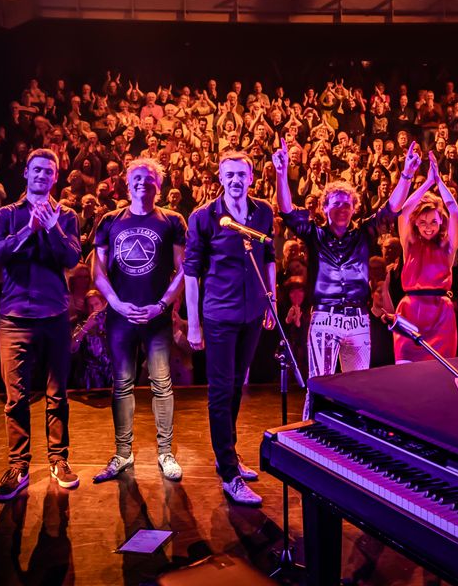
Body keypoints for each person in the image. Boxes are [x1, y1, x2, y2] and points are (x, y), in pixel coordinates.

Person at [273, 139, 420, 415]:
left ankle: (349, 434)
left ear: (354, 208)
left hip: (357, 319)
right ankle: (313, 432)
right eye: (336, 203)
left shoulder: (363, 233)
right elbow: (287, 212)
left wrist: (407, 174)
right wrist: (281, 174)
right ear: (324, 207)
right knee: (319, 386)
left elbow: (390, 210)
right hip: (324, 318)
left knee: (358, 388)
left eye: (346, 204)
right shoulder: (314, 234)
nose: (342, 208)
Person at [0, 148, 83, 501]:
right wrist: (30, 229)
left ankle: (58, 459)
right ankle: (19, 465)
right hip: (14, 319)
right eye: (36, 169)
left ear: (56, 177)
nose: (42, 175)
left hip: (54, 316)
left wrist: (52, 226)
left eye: (48, 171)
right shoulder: (7, 214)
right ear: (26, 173)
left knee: (57, 395)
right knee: (16, 398)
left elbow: (71, 257)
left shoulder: (66, 216)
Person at [183, 151, 277, 506]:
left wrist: (271, 300)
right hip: (219, 315)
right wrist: (194, 325)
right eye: (230, 175)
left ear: (251, 178)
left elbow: (269, 258)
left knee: (238, 385)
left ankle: (229, 453)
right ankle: (228, 474)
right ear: (220, 178)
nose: (236, 180)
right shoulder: (204, 217)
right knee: (221, 391)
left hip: (251, 312)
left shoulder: (262, 212)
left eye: (242, 174)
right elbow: (191, 273)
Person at [90, 159, 188, 484]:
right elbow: (97, 272)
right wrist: (117, 304)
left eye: (149, 179)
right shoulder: (109, 220)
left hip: (156, 318)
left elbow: (183, 269)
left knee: (161, 384)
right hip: (121, 318)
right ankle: (123, 453)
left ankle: (165, 453)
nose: (142, 183)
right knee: (122, 384)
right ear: (127, 183)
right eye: (136, 178)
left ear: (158, 185)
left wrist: (161, 306)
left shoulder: (172, 220)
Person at [394, 153, 458, 363]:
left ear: (441, 221)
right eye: (422, 222)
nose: (428, 227)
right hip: (410, 309)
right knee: (405, 369)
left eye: (433, 221)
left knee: (440, 372)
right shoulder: (410, 243)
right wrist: (427, 183)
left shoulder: (447, 246)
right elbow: (404, 211)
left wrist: (439, 182)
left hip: (441, 312)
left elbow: (454, 212)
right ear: (416, 223)